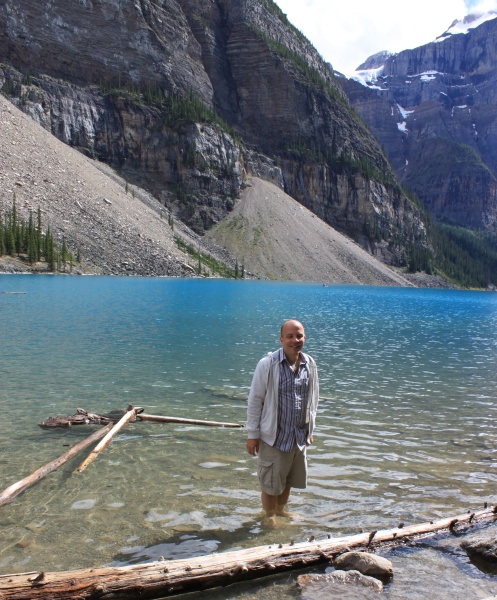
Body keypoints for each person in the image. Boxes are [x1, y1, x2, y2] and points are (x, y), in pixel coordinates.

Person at [246, 319, 319, 528]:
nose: (295, 340)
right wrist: (253, 434)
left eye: (299, 336)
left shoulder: (309, 364)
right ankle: (269, 514)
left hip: (298, 435)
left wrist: (310, 428)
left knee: (289, 478)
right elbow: (255, 400)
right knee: (270, 482)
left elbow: (313, 399)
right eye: (290, 336)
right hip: (274, 435)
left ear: (304, 337)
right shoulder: (268, 364)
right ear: (281, 339)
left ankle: (280, 510)